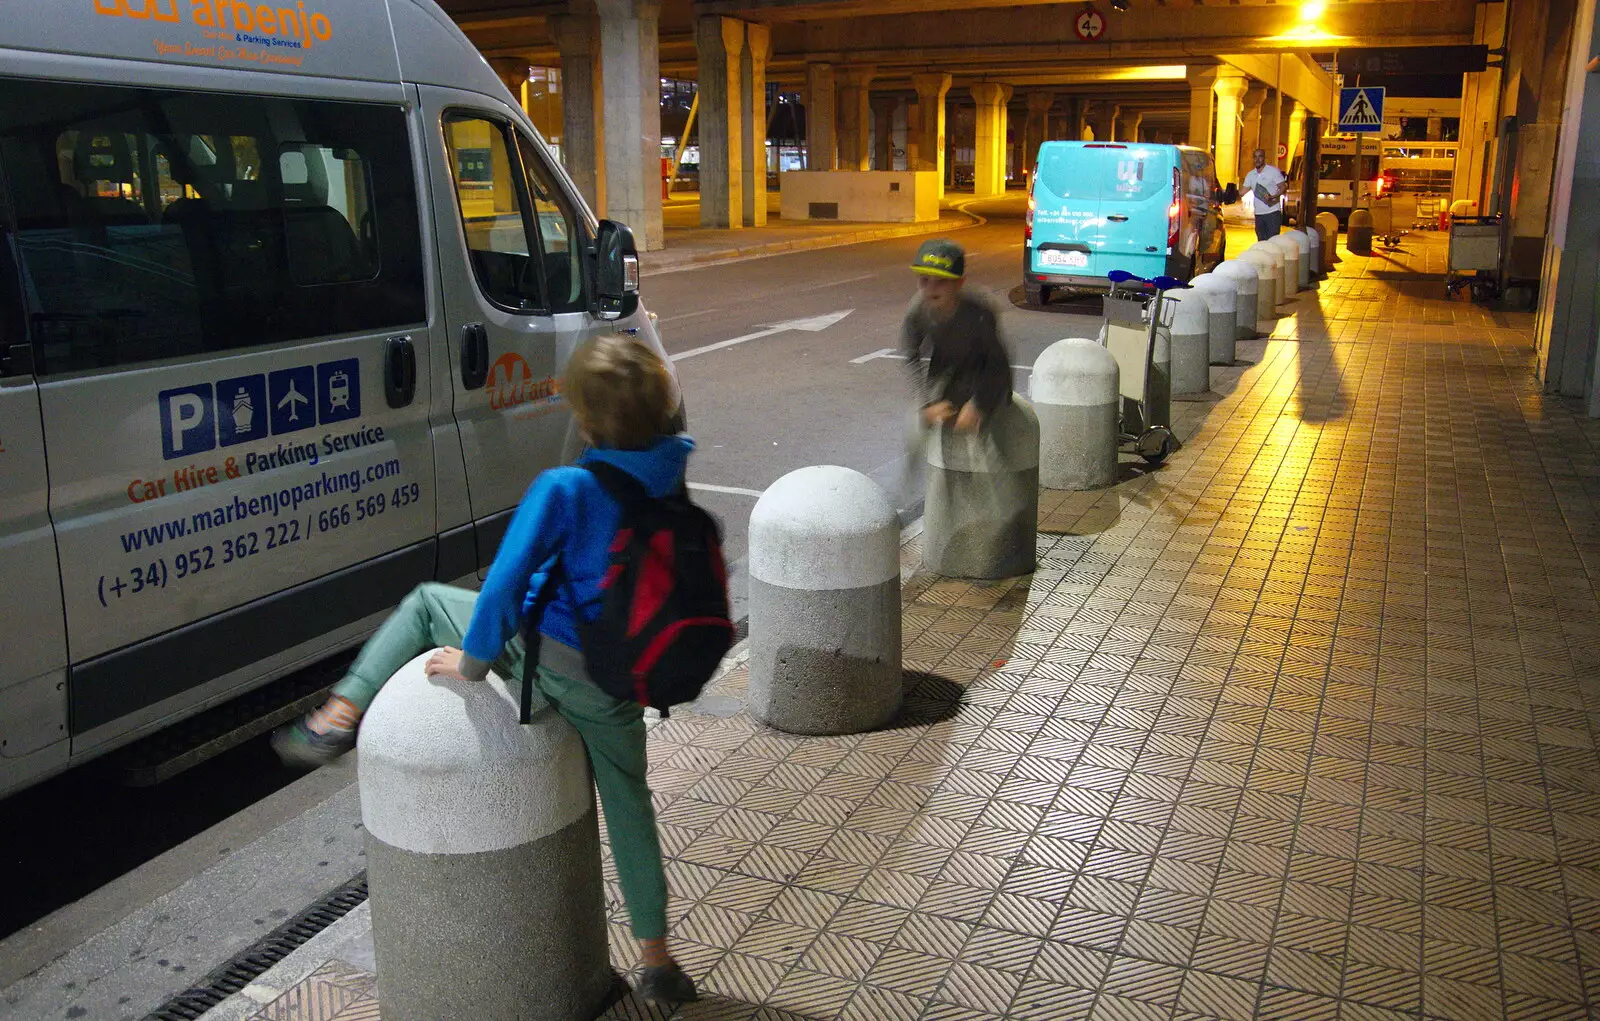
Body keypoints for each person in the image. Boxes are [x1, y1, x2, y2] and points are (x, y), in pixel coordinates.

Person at [271, 334, 698, 1006]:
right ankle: (656, 958)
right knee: (630, 807)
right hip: (621, 682)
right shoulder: (671, 470)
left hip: (552, 661)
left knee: (424, 604)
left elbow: (504, 585)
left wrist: (472, 662)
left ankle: (339, 714)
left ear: (584, 418)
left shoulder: (566, 486)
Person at [900, 238, 1012, 435]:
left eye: (941, 281)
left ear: (960, 283)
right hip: (947, 368)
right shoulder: (917, 311)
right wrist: (925, 404)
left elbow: (999, 365)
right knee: (918, 431)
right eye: (924, 280)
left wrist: (979, 404)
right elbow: (911, 356)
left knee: (987, 436)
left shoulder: (979, 312)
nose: (931, 289)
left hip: (984, 372)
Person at [1242, 148, 1288, 241]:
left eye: (1260, 156)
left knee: (1273, 242)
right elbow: (1242, 192)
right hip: (1259, 214)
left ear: (1264, 158)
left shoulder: (1273, 171)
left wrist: (1273, 196)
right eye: (1255, 157)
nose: (1257, 159)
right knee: (1261, 243)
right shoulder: (1251, 175)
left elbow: (1283, 187)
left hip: (1272, 213)